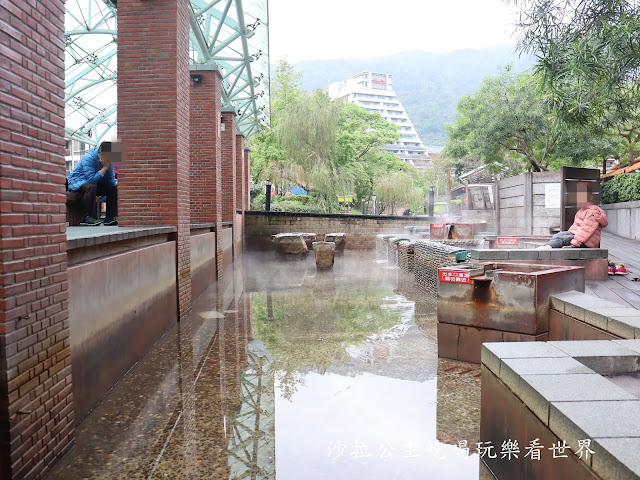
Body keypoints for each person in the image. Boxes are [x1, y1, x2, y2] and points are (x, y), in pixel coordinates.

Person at [538, 183, 607, 249]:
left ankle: (546, 248)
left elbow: (585, 231)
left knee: (564, 239)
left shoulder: (592, 212)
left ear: (590, 197)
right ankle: (546, 246)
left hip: (587, 242)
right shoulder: (582, 210)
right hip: (579, 238)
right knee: (559, 235)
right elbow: (574, 228)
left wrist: (574, 244)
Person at [67, 141, 118, 226]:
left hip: (94, 183)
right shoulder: (88, 158)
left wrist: (117, 183)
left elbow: (110, 179)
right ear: (102, 154)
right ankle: (86, 217)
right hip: (77, 182)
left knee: (112, 188)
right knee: (91, 187)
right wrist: (104, 168)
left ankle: (109, 218)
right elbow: (91, 179)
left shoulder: (109, 162)